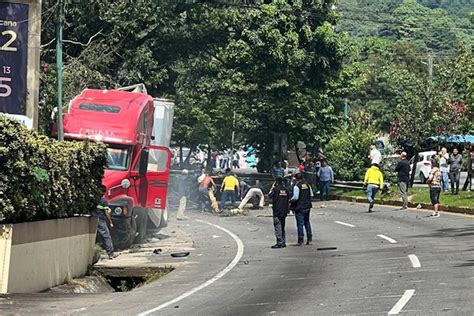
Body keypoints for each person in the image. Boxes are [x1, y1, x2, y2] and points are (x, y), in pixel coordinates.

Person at [92, 186, 117, 260]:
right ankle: (110, 254)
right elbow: (106, 212)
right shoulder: (104, 201)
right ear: (104, 192)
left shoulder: (93, 200)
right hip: (100, 220)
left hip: (92, 219)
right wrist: (110, 222)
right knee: (106, 236)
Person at [291, 173, 314, 246]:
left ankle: (300, 240)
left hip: (299, 207)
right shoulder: (307, 185)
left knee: (300, 224)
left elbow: (295, 197)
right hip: (307, 206)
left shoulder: (297, 186)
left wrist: (289, 200)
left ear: (296, 179)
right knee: (307, 222)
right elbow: (311, 195)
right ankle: (309, 239)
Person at [268, 177, 290, 249]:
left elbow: (269, 195)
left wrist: (272, 187)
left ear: (276, 182)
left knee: (278, 226)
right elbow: (289, 198)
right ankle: (283, 241)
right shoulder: (286, 190)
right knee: (282, 226)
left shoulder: (275, 189)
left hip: (277, 210)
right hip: (284, 210)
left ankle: (279, 242)